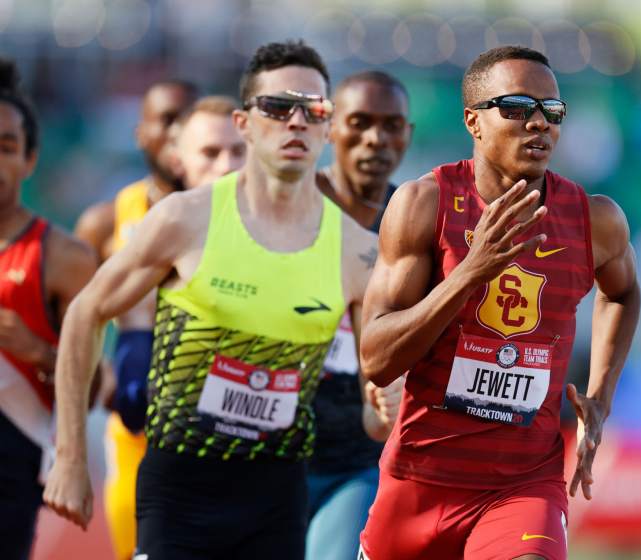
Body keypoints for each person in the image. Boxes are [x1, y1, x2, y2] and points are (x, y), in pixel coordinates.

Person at [43, 39, 387, 560]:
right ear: (245, 124)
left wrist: (384, 408)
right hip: (180, 495)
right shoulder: (186, 219)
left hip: (277, 500)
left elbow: (374, 410)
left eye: (314, 109)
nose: (296, 121)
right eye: (278, 106)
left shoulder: (358, 253)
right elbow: (86, 313)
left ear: (328, 127)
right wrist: (69, 455)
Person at [358, 45, 641, 560]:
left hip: (524, 484)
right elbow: (376, 359)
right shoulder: (424, 205)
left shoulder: (594, 220)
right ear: (474, 121)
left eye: (552, 112)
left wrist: (601, 395)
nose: (539, 124)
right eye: (516, 108)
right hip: (420, 480)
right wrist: (469, 273)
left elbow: (622, 292)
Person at [73, 78, 200, 560]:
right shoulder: (105, 222)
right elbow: (74, 319)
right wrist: (101, 378)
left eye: (189, 120)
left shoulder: (236, 217)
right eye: (166, 119)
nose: (177, 133)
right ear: (141, 133)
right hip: (135, 428)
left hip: (215, 421)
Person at [307, 70, 413, 560]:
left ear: (408, 134)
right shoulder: (287, 209)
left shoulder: (419, 219)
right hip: (262, 457)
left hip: (361, 458)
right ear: (328, 126)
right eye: (360, 121)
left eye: (393, 125)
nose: (377, 138)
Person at [0, 57, 98, 560]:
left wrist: (36, 348)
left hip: (10, 458)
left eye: (6, 147)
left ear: (30, 160)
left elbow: (96, 384)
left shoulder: (62, 257)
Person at [170, 95, 247, 191]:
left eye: (238, 152)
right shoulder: (159, 205)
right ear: (177, 162)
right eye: (210, 153)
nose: (227, 167)